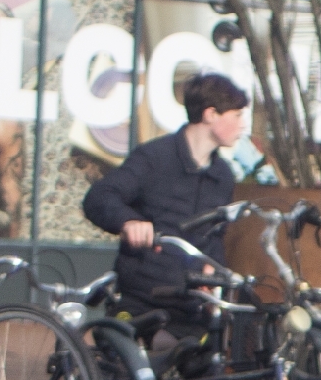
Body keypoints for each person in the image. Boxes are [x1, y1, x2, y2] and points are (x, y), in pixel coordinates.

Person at [82, 72, 251, 321]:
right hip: (143, 298)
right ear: (210, 114)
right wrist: (128, 222)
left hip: (193, 303)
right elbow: (99, 197)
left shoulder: (222, 175)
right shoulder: (155, 158)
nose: (243, 125)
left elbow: (215, 239)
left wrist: (213, 274)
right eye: (236, 115)